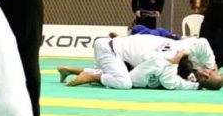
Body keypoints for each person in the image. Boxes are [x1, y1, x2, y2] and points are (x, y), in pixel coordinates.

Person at [58, 34, 221, 90]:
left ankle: (72, 70)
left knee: (121, 74)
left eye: (207, 78)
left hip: (117, 54)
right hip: (109, 50)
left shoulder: (181, 53)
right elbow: (203, 42)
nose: (206, 73)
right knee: (125, 83)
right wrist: (176, 60)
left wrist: (176, 60)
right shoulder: (177, 52)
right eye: (210, 72)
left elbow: (170, 82)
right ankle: (91, 76)